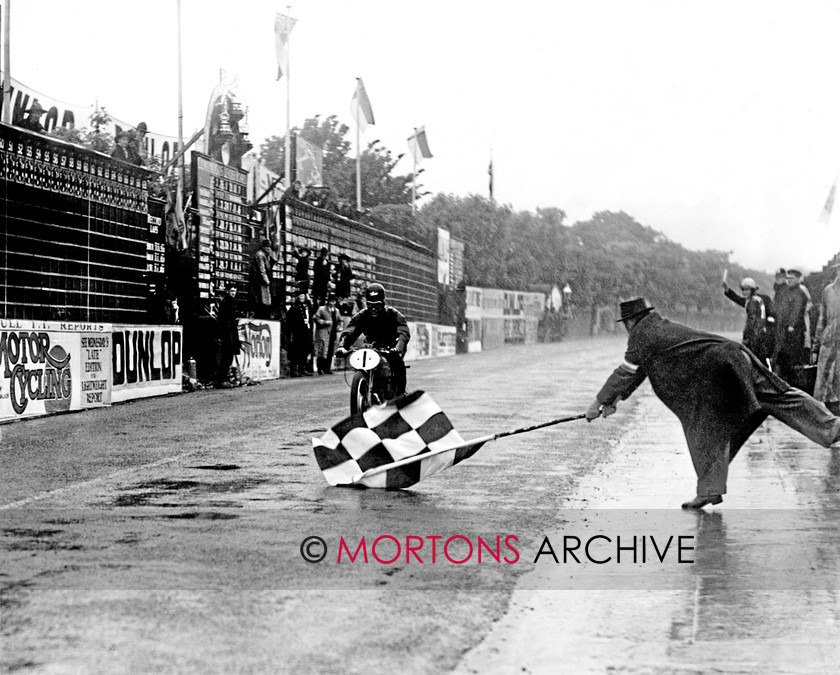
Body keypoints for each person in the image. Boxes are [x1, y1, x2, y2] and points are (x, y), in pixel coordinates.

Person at [585, 298, 840, 510]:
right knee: (777, 396)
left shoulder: (642, 334)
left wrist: (597, 402)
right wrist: (614, 400)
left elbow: (626, 372)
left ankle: (709, 490)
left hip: (724, 369)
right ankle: (831, 427)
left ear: (630, 321)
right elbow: (639, 371)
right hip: (732, 359)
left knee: (705, 428)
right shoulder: (654, 327)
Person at [335, 283, 411, 396]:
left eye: (378, 305)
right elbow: (350, 330)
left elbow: (403, 332)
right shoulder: (362, 315)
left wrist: (398, 347)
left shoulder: (393, 314)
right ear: (367, 304)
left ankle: (401, 393)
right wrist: (342, 346)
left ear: (383, 303)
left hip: (391, 347)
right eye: (370, 305)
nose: (374, 309)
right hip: (372, 347)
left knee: (397, 363)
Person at [722, 276, 775, 363]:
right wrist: (727, 290)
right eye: (743, 290)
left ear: (753, 290)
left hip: (757, 336)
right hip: (760, 334)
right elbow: (738, 299)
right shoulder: (754, 300)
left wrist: (746, 337)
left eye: (747, 290)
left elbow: (753, 321)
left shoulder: (753, 302)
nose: (744, 292)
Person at [774, 269, 812, 384]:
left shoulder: (800, 293)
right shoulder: (786, 292)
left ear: (798, 279)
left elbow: (797, 310)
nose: (789, 280)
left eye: (791, 278)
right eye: (788, 278)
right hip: (784, 332)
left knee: (793, 363)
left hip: (794, 333)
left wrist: (791, 324)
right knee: (782, 361)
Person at [814, 262, 840, 414]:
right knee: (826, 390)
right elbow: (821, 319)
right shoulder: (828, 291)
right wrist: (816, 346)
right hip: (828, 344)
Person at [215, 283, 241, 388]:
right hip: (228, 333)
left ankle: (222, 379)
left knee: (227, 358)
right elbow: (227, 320)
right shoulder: (227, 303)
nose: (233, 293)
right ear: (227, 291)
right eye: (231, 291)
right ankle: (221, 380)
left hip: (229, 333)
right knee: (226, 357)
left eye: (235, 291)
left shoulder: (229, 302)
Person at [287, 291, 314, 377]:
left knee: (304, 351)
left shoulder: (305, 307)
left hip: (305, 332)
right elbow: (290, 322)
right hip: (297, 332)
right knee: (296, 351)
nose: (302, 298)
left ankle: (302, 368)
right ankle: (294, 370)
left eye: (303, 296)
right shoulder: (294, 308)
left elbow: (312, 311)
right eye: (301, 296)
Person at [314, 294, 339, 375]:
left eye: (333, 301)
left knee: (330, 351)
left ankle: (327, 368)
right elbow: (316, 318)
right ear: (328, 301)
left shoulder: (337, 310)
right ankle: (320, 369)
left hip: (333, 333)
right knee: (322, 350)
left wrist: (339, 327)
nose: (332, 302)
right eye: (331, 301)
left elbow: (339, 320)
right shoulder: (322, 309)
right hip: (323, 332)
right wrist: (324, 322)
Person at [249, 239, 273, 319]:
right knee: (262, 302)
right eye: (267, 247)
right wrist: (267, 281)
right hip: (259, 282)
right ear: (263, 247)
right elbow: (262, 270)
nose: (269, 249)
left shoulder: (265, 256)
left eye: (269, 248)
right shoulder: (260, 255)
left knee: (265, 302)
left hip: (261, 282)